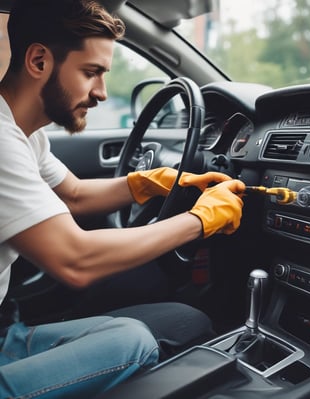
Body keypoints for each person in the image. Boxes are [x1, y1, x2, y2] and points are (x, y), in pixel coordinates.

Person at [0, 0, 246, 397]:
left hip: (5, 330)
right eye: (91, 72)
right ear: (39, 61)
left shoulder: (23, 132)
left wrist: (149, 182)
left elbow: (76, 195)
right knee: (134, 342)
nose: (100, 92)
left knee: (137, 330)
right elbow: (74, 259)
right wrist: (200, 220)